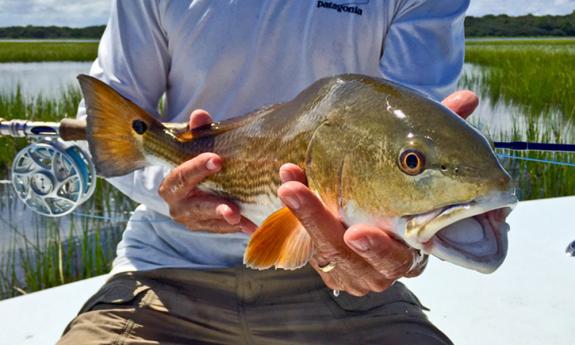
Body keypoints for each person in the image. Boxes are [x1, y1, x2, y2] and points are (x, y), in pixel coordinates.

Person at [58, 1, 478, 344]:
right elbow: (110, 126)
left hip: (338, 289)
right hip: (163, 270)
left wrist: (401, 250)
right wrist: (170, 192)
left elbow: (413, 146)